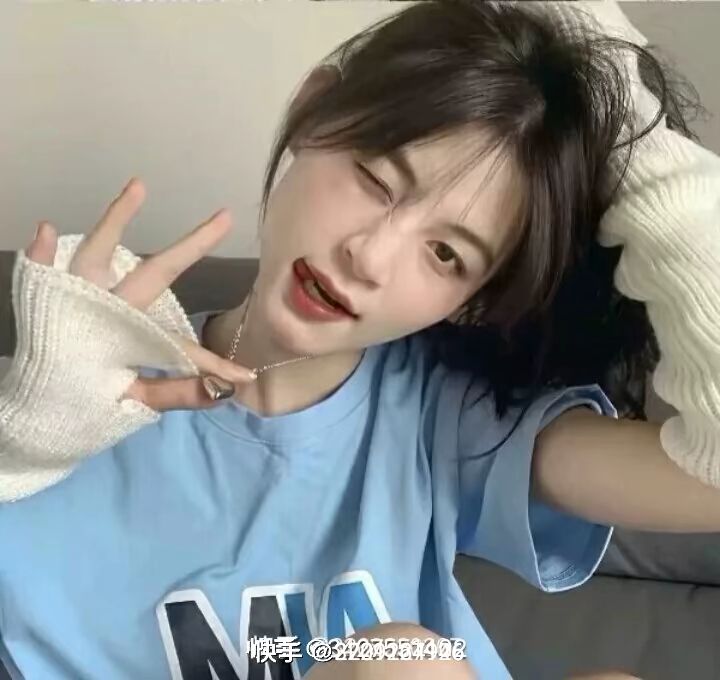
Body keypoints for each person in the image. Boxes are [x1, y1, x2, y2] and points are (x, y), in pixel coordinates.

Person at [1, 1, 719, 678]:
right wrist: (21, 450)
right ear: (314, 111)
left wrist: (644, 147)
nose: (369, 257)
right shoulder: (84, 391)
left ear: (475, 301)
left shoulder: (444, 422)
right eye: (377, 179)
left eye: (446, 254)